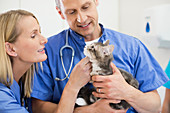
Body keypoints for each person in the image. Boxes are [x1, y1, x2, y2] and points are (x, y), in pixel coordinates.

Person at [31, 0, 169, 113]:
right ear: (61, 13)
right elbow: (37, 107)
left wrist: (126, 92)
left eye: (86, 7)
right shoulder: (47, 50)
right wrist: (91, 110)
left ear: (96, 1)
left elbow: (155, 106)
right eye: (71, 12)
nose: (81, 18)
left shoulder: (132, 46)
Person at [0, 9, 91, 113]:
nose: (44, 40)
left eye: (40, 32)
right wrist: (73, 86)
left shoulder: (20, 84)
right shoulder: (2, 98)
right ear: (11, 49)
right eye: (33, 36)